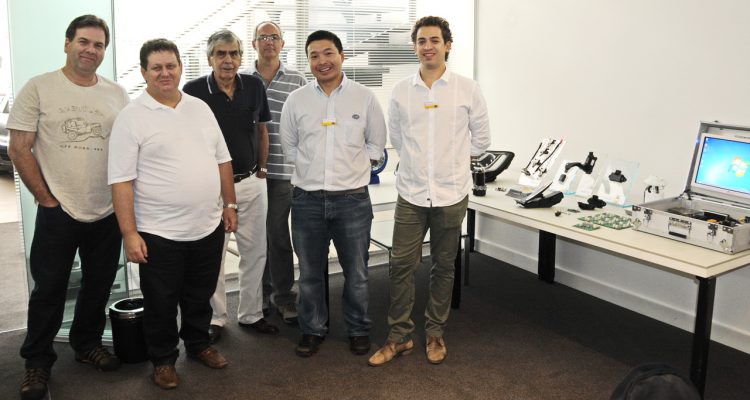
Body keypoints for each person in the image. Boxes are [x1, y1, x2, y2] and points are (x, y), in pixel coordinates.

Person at [7, 14, 130, 400]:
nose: (91, 50)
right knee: (50, 289)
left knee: (98, 284)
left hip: (106, 210)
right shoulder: (39, 87)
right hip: (58, 209)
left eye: (98, 45)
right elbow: (19, 148)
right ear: (67, 43)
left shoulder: (116, 94)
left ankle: (86, 344)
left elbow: (127, 151)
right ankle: (37, 361)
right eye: (83, 42)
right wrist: (46, 198)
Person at [108, 38, 237, 390]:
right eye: (157, 68)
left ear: (180, 67)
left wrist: (229, 204)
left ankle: (198, 344)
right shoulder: (131, 117)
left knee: (200, 294)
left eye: (171, 66)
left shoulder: (199, 107)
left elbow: (222, 159)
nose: (165, 73)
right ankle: (163, 361)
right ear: (144, 72)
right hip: (159, 232)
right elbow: (121, 181)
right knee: (161, 303)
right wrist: (129, 233)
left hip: (207, 225)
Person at [368, 16, 491, 367]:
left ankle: (435, 332)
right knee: (400, 265)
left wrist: (452, 162)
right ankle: (399, 336)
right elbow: (397, 138)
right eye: (421, 41)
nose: (428, 47)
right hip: (411, 192)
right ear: (415, 47)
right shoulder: (401, 91)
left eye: (435, 40)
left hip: (451, 194)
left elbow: (481, 141)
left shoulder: (467, 89)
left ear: (447, 45)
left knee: (444, 266)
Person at [280, 30, 386, 357]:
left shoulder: (364, 97)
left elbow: (376, 145)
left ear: (341, 56)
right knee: (310, 273)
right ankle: (313, 329)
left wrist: (353, 168)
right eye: (314, 55)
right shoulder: (297, 100)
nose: (322, 61)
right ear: (308, 61)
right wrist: (312, 170)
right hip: (307, 200)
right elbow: (290, 147)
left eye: (328, 53)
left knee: (357, 273)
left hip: (352, 200)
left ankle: (358, 329)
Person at [183, 29, 279, 344]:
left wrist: (263, 169)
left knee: (256, 251)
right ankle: (215, 318)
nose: (228, 60)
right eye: (221, 54)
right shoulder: (193, 91)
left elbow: (262, 130)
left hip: (252, 182)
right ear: (209, 58)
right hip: (213, 188)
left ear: (241, 56)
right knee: (214, 255)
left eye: (234, 53)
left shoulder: (254, 86)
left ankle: (251, 314)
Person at [243, 20, 307, 327]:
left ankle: (283, 296)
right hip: (250, 172)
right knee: (256, 238)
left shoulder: (297, 79)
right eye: (263, 37)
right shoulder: (243, 79)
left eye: (274, 37)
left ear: (282, 44)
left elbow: (307, 122)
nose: (269, 41)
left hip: (284, 171)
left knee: (278, 234)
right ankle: (260, 295)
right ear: (254, 44)